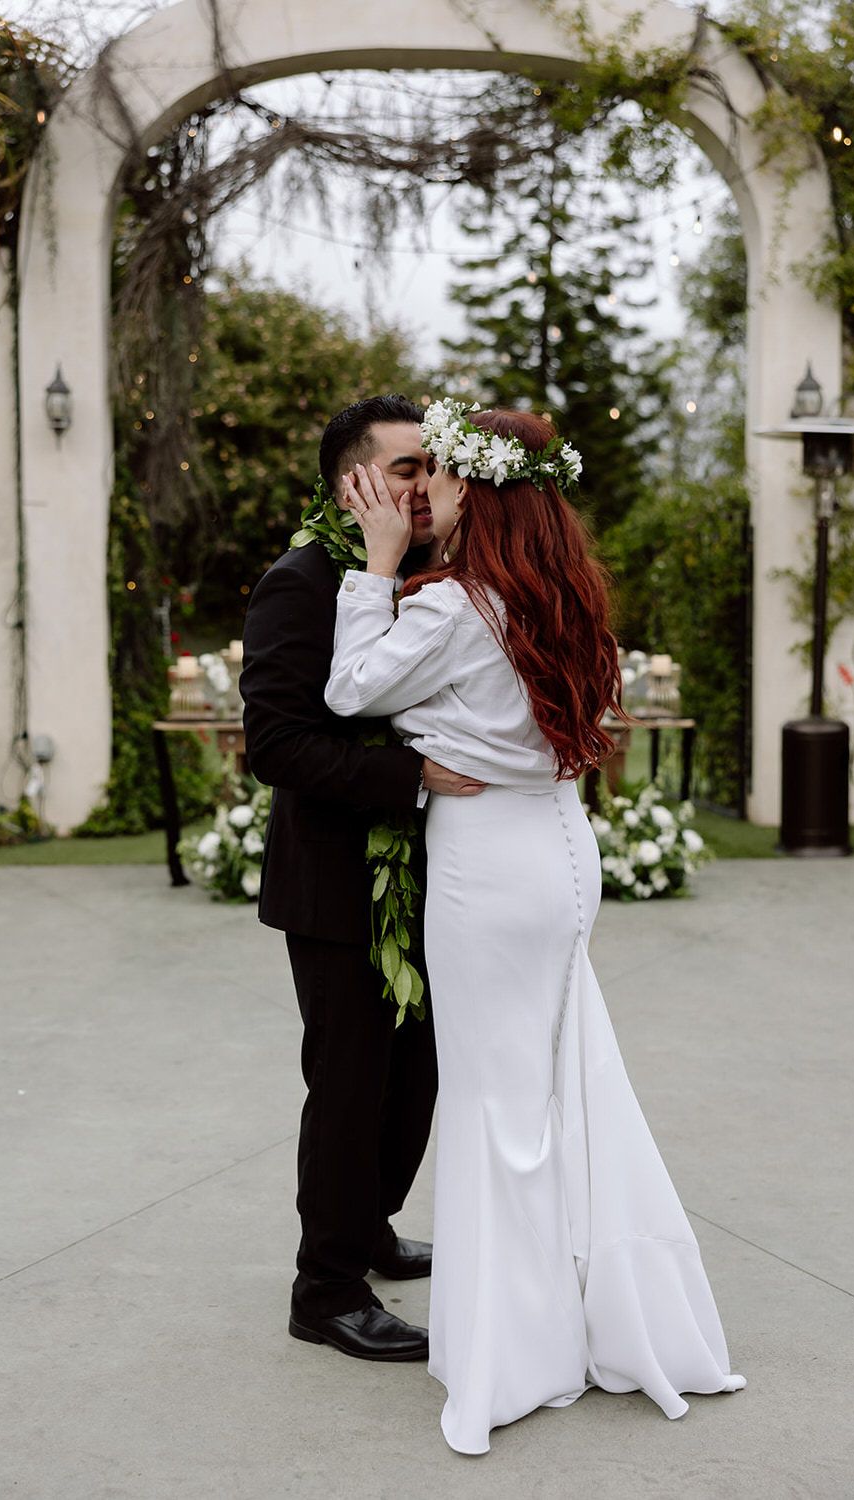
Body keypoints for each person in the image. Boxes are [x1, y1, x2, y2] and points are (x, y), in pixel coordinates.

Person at [323, 403, 746, 1453]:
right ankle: (584, 1320)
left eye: (442, 475)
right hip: (558, 854)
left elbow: (347, 689)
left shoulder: (453, 605)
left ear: (476, 488)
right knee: (566, 1089)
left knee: (495, 1106)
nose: (427, 493)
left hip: (489, 871)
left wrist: (375, 566)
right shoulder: (559, 596)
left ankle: (512, 1354)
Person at [240, 395, 485, 1364]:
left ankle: (370, 1228)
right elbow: (277, 745)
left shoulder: (430, 575)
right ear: (350, 482)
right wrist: (410, 775)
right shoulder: (299, 582)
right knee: (349, 1087)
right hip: (338, 887)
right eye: (404, 468)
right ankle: (326, 1289)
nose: (424, 485)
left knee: (415, 1080)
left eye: (433, 468)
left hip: (432, 878)